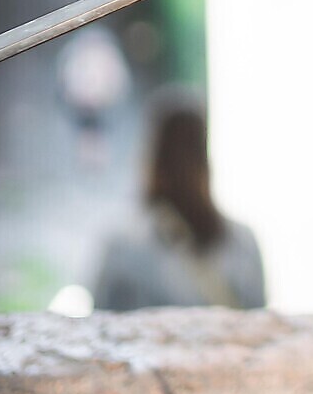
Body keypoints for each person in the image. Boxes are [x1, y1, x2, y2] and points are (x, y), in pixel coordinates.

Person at [93, 104, 267, 311]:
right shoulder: (242, 242)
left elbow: (104, 324)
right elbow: (258, 326)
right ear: (205, 158)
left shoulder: (122, 246)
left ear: (152, 156)